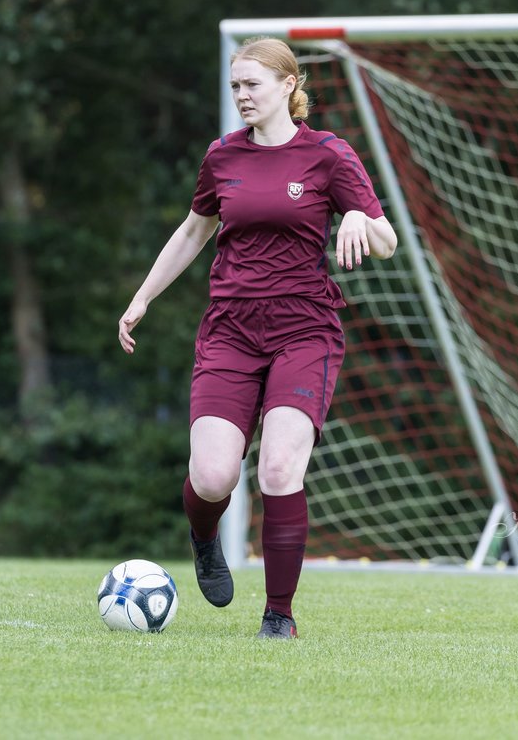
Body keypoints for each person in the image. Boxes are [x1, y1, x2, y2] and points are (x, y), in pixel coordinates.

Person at [117, 36, 397, 639]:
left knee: (277, 470)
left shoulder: (329, 154)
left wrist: (356, 215)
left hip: (305, 330)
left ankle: (279, 616)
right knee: (215, 476)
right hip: (231, 331)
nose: (242, 95)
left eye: (253, 85)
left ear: (288, 87)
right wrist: (142, 297)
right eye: (235, 86)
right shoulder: (222, 156)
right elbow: (193, 233)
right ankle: (202, 532)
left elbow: (387, 241)